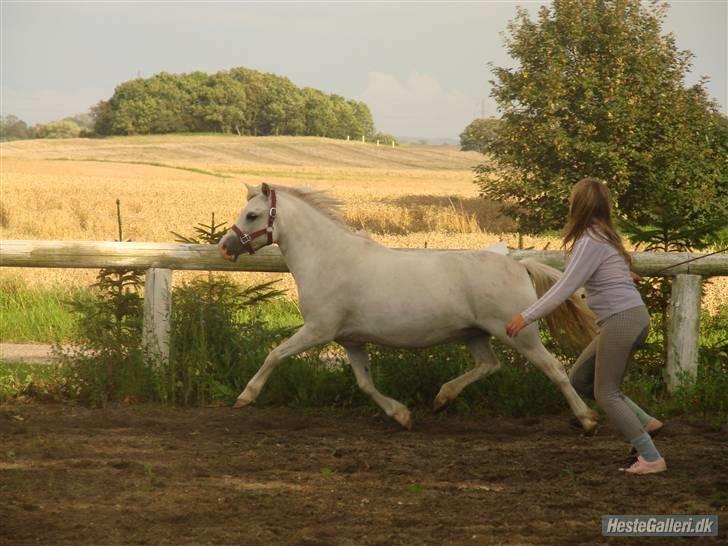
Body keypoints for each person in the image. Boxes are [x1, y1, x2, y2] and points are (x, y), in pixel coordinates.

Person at [505, 178, 666, 475]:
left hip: (622, 320)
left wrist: (526, 316)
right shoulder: (603, 237)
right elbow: (601, 273)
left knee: (606, 392)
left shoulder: (590, 240)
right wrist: (623, 277)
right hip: (624, 319)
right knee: (580, 380)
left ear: (578, 206)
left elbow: (565, 286)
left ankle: (650, 457)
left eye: (571, 200)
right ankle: (646, 422)